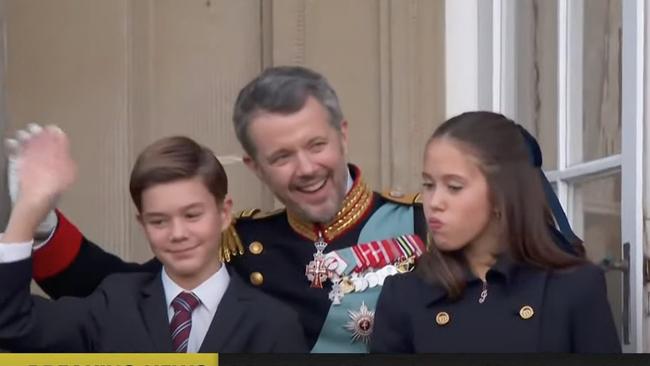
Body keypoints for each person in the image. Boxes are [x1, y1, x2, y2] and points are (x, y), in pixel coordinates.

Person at [5, 67, 576, 353]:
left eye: (316, 145)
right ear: (254, 168)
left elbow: (542, 306)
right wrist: (43, 219)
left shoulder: (426, 224)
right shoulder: (240, 242)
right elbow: (125, 294)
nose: (304, 168)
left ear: (343, 134)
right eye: (281, 156)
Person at [0, 131, 306, 353]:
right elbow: (12, 325)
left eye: (192, 215)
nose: (177, 233)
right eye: (159, 220)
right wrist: (29, 209)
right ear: (142, 223)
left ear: (224, 213)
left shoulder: (272, 325)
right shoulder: (114, 303)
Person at [369, 112, 620, 353]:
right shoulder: (403, 294)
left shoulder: (575, 287)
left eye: (454, 187)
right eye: (428, 185)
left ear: (501, 196)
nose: (434, 202)